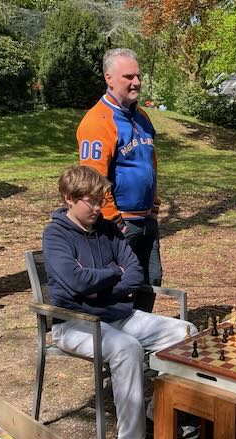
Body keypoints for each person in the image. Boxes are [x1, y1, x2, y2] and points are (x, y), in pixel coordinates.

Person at [42, 166, 198, 439]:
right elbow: (76, 281)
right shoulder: (55, 234)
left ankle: (155, 414)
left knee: (187, 333)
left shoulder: (108, 229)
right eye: (91, 201)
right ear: (69, 198)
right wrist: (114, 273)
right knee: (126, 349)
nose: (98, 208)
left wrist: (103, 284)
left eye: (101, 200)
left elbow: (135, 272)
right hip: (74, 323)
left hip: (118, 315)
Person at [77, 48, 162, 313]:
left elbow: (150, 161)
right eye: (128, 76)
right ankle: (117, 334)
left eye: (138, 76)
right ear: (109, 78)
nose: (136, 82)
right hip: (120, 223)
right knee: (121, 285)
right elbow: (93, 180)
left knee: (151, 280)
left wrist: (154, 203)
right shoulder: (97, 121)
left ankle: (142, 331)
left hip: (146, 219)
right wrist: (114, 221)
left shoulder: (142, 116)